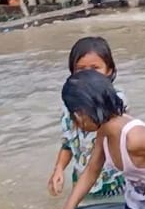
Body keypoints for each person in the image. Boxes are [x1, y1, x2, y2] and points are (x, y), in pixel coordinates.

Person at [41, 70, 145, 209]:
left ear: (79, 114)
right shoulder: (104, 132)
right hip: (138, 206)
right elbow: (91, 171)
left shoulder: (135, 138)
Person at [47, 37, 126, 200]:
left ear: (109, 70)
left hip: (113, 183)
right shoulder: (70, 104)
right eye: (81, 69)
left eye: (95, 68)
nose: (88, 74)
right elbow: (68, 143)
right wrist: (59, 169)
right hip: (82, 181)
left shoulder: (116, 101)